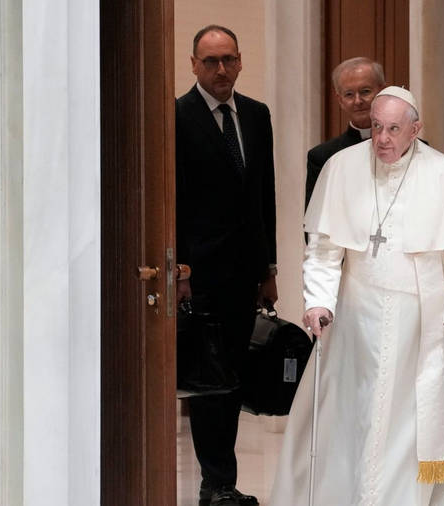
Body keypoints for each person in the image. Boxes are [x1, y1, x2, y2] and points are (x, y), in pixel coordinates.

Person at [270, 87, 444, 506]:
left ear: (415, 130)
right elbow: (324, 249)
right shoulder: (341, 167)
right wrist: (318, 301)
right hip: (354, 319)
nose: (382, 139)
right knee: (352, 419)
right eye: (376, 127)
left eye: (393, 129)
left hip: (422, 324)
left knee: (408, 423)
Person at [176, 24, 277, 506]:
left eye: (228, 60)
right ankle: (215, 483)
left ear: (240, 61)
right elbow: (171, 201)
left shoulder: (256, 115)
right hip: (199, 277)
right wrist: (180, 272)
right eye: (211, 61)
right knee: (208, 384)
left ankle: (222, 483)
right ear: (193, 64)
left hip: (245, 275)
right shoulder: (177, 116)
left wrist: (269, 270)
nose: (221, 70)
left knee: (234, 380)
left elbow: (264, 198)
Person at [305, 57, 386, 208]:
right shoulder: (323, 157)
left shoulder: (411, 148)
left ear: (381, 91)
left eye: (365, 91)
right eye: (349, 94)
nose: (358, 101)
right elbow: (314, 223)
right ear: (340, 100)